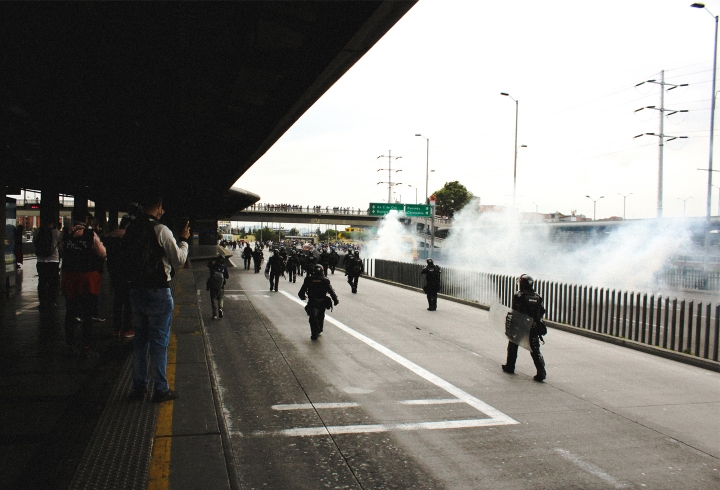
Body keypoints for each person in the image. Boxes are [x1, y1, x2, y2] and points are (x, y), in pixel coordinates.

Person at [126, 194, 190, 403]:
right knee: (159, 342)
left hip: (136, 290)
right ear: (159, 206)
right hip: (158, 291)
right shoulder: (161, 230)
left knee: (140, 341)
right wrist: (184, 240)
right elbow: (179, 260)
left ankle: (139, 387)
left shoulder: (132, 228)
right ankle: (160, 389)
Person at [61, 210, 107, 358]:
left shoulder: (66, 234)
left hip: (70, 276)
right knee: (87, 312)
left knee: (70, 311)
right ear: (86, 219)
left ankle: (70, 343)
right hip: (87, 277)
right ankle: (86, 344)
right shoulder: (90, 234)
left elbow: (62, 250)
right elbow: (102, 253)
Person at [502, 274, 548, 382]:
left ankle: (510, 367)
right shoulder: (538, 297)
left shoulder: (519, 296)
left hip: (520, 326)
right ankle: (541, 373)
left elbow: (515, 312)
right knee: (535, 350)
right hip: (533, 327)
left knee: (513, 346)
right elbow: (541, 312)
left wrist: (510, 326)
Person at [104, 215, 133, 337]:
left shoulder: (110, 236)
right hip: (127, 272)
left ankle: (116, 329)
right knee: (128, 302)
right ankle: (126, 329)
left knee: (117, 299)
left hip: (114, 272)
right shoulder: (129, 236)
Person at [298, 264, 339, 340]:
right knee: (321, 315)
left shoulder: (309, 279)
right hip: (322, 301)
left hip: (312, 300)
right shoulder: (325, 280)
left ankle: (315, 331)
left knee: (312, 317)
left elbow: (302, 289)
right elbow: (331, 291)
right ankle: (319, 329)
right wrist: (335, 300)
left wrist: (302, 296)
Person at [34, 219, 61, 309]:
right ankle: (52, 301)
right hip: (53, 261)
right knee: (54, 282)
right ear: (52, 223)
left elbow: (35, 243)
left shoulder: (37, 231)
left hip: (41, 261)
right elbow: (61, 244)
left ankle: (42, 302)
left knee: (42, 281)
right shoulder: (56, 233)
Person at [206, 254, 229, 319]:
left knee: (213, 299)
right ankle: (220, 308)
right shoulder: (224, 268)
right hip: (220, 286)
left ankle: (214, 314)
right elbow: (227, 277)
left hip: (212, 286)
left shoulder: (213, 267)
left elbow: (208, 265)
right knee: (220, 298)